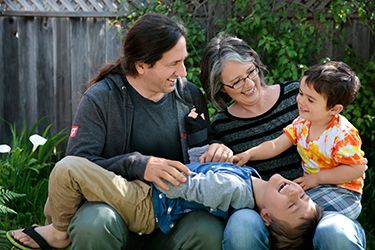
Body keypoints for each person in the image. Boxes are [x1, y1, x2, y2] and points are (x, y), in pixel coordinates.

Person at [14, 13, 232, 250]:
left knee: (210, 230)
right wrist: (138, 165)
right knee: (94, 224)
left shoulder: (188, 95)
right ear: (141, 65)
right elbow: (80, 166)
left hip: (172, 210)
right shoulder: (101, 98)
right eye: (172, 64)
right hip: (112, 210)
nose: (183, 72)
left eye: (183, 61)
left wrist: (215, 148)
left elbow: (200, 153)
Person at [8, 110, 323, 250]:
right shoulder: (250, 179)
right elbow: (196, 167)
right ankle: (61, 223)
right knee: (78, 176)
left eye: (291, 205)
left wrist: (142, 167)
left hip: (146, 204)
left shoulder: (234, 190)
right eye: (304, 196)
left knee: (68, 168)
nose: (295, 192)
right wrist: (206, 150)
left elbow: (188, 183)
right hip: (147, 197)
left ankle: (59, 230)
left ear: (265, 216)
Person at [199, 34, 367, 250]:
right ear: (221, 87)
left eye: (251, 72)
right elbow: (267, 150)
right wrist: (226, 151)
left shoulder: (298, 97)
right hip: (264, 212)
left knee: (334, 232)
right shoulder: (222, 125)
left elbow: (341, 149)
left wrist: (317, 181)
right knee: (242, 228)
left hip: (313, 198)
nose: (249, 83)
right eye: (237, 82)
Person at [233, 61, 366, 220]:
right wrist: (248, 154)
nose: (301, 101)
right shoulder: (302, 124)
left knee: (301, 217)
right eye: (301, 93)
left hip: (343, 193)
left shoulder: (342, 133)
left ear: (334, 109)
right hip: (314, 190)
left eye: (310, 100)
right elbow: (275, 145)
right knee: (290, 213)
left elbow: (356, 169)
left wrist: (316, 179)